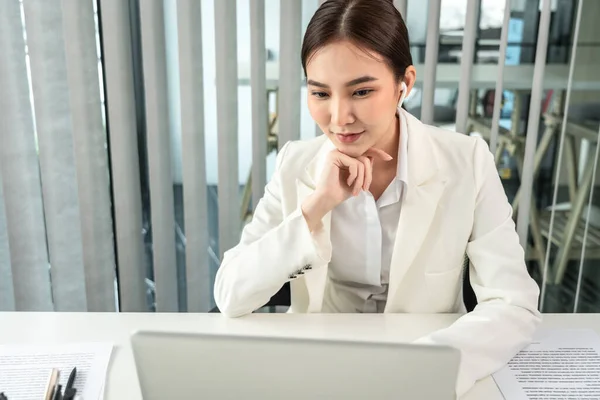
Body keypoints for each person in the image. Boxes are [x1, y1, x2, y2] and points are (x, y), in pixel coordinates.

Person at [214, 0, 541, 395]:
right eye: (320, 93)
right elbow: (230, 294)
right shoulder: (295, 163)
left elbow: (514, 303)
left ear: (405, 84)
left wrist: (425, 368)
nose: (338, 117)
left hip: (425, 374)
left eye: (362, 91)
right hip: (317, 370)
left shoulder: (465, 161)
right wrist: (317, 206)